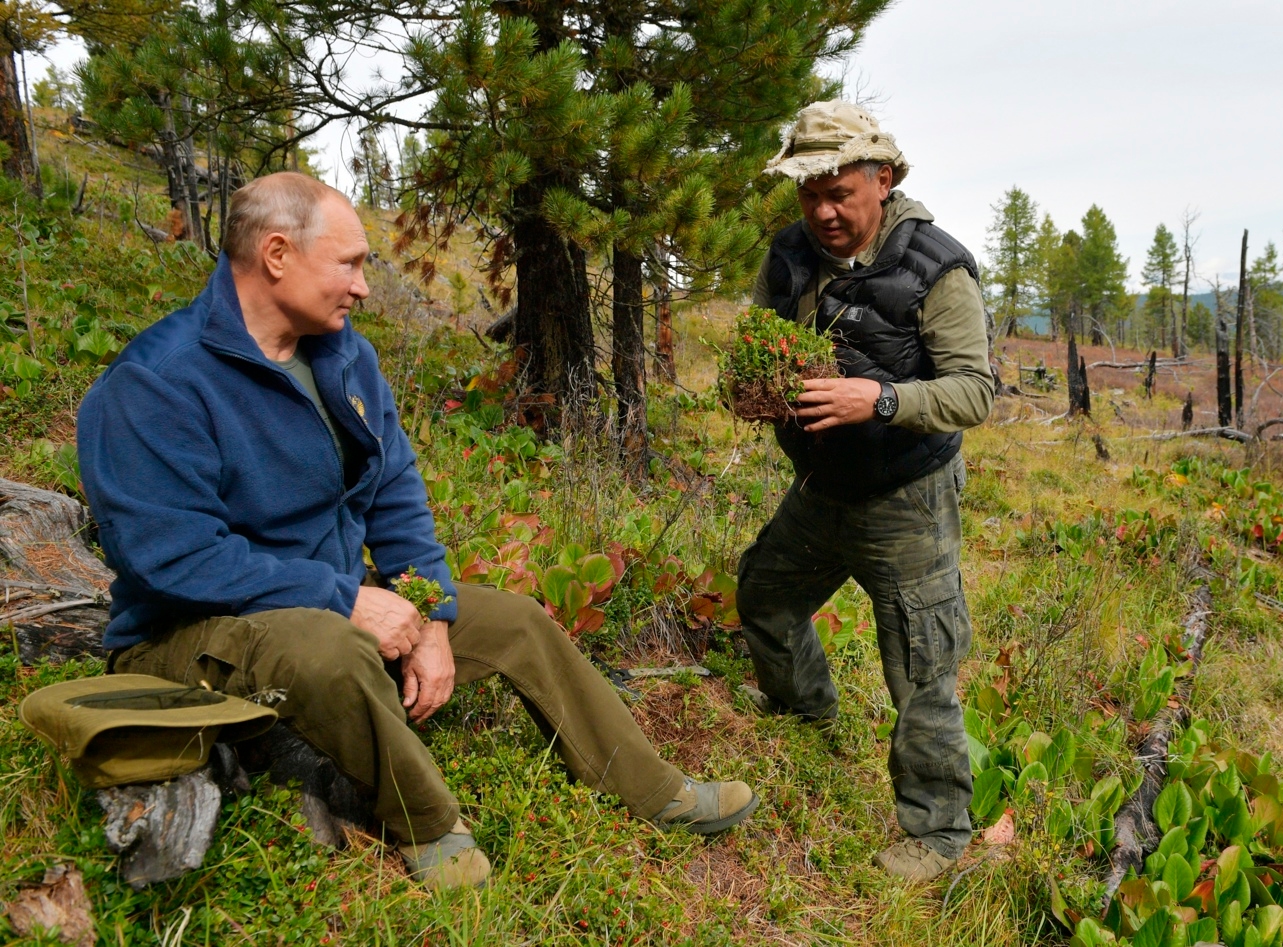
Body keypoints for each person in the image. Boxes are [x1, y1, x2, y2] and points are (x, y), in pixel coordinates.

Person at [76, 172, 757, 891]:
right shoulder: (156, 382)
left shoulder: (342, 355)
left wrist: (428, 613)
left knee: (517, 621)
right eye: (349, 263)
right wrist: (345, 598)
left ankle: (656, 790)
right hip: (187, 632)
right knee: (330, 647)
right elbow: (170, 557)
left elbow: (395, 495)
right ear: (276, 254)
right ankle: (430, 826)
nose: (364, 286)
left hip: (320, 602)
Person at [738, 101, 994, 883]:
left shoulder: (937, 269)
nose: (822, 212)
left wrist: (876, 399)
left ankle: (939, 833)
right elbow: (759, 337)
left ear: (882, 179)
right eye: (807, 194)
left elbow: (975, 392)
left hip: (906, 497)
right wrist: (756, 386)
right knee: (766, 593)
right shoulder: (789, 253)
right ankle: (805, 711)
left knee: (920, 665)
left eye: (839, 192)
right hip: (821, 487)